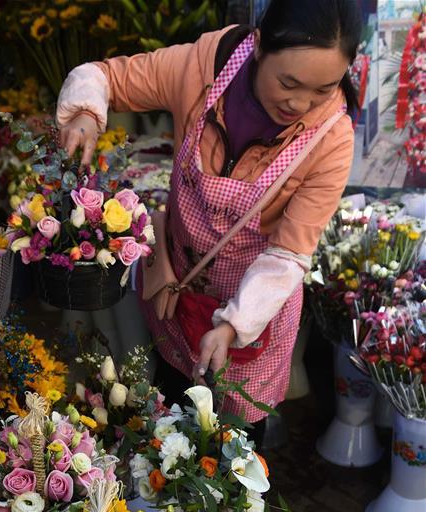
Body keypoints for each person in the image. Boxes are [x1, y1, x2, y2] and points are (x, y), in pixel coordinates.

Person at [56, 0, 360, 422]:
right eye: (288, 83)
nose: (301, 104)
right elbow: (103, 76)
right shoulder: (202, 66)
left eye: (323, 90)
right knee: (170, 414)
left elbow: (289, 252)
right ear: (257, 46)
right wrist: (87, 113)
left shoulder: (333, 138)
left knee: (233, 445)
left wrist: (234, 324)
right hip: (180, 287)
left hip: (253, 308)